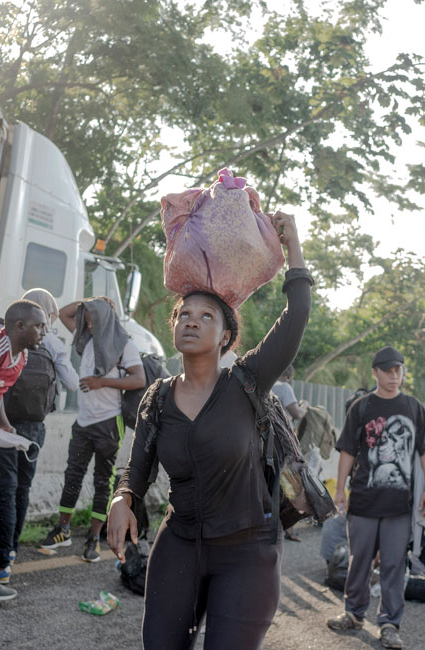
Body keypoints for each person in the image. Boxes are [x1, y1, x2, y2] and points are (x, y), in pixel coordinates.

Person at [107, 211, 310, 649]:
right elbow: (137, 469)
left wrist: (293, 246)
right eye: (184, 314)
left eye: (206, 316)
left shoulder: (247, 380)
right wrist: (122, 499)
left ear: (225, 337)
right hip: (179, 544)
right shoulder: (157, 398)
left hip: (248, 551)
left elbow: (296, 317)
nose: (192, 321)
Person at [326, 345, 425, 649]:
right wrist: (340, 489)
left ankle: (389, 624)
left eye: (398, 369)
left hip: (399, 505)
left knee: (393, 565)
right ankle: (353, 613)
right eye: (388, 370)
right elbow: (348, 450)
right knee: (358, 560)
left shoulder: (414, 407)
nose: (394, 375)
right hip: (363, 499)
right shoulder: (360, 407)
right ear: (375, 372)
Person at [40, 296, 147, 562]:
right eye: (86, 318)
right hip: (84, 422)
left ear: (106, 319)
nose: (87, 323)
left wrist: (102, 382)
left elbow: (139, 379)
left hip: (109, 423)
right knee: (72, 475)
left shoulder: (125, 345)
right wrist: (87, 303)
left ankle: (93, 540)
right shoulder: (86, 340)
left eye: (92, 318)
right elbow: (65, 314)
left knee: (103, 482)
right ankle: (63, 530)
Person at [0, 289, 79, 583]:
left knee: (8, 489)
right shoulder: (7, 346)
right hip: (29, 426)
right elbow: (71, 383)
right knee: (18, 490)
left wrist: (3, 423)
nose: (44, 330)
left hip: (8, 425)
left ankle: (1, 560)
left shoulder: (24, 350)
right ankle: (7, 555)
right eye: (40, 324)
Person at [271, 364, 308, 542]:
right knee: (290, 484)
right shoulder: (284, 387)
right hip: (283, 442)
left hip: (266, 441)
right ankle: (289, 529)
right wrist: (304, 407)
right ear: (289, 375)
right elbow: (296, 413)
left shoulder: (266, 384)